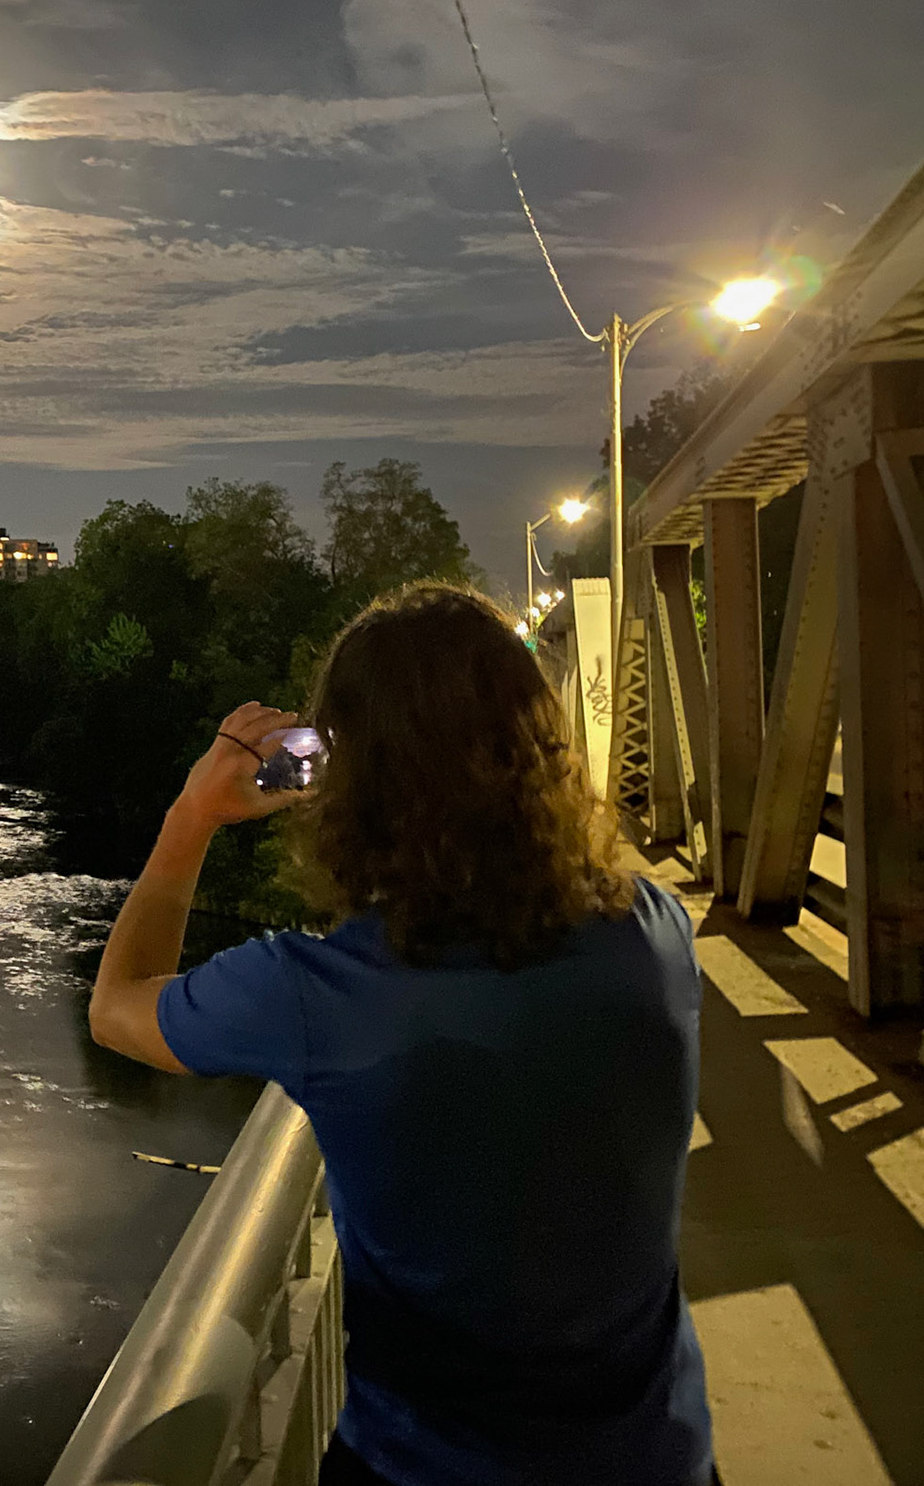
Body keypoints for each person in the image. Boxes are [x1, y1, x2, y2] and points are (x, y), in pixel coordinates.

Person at [87, 583, 716, 1486]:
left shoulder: (316, 993)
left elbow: (116, 1008)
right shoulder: (654, 930)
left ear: (347, 780)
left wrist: (192, 817)